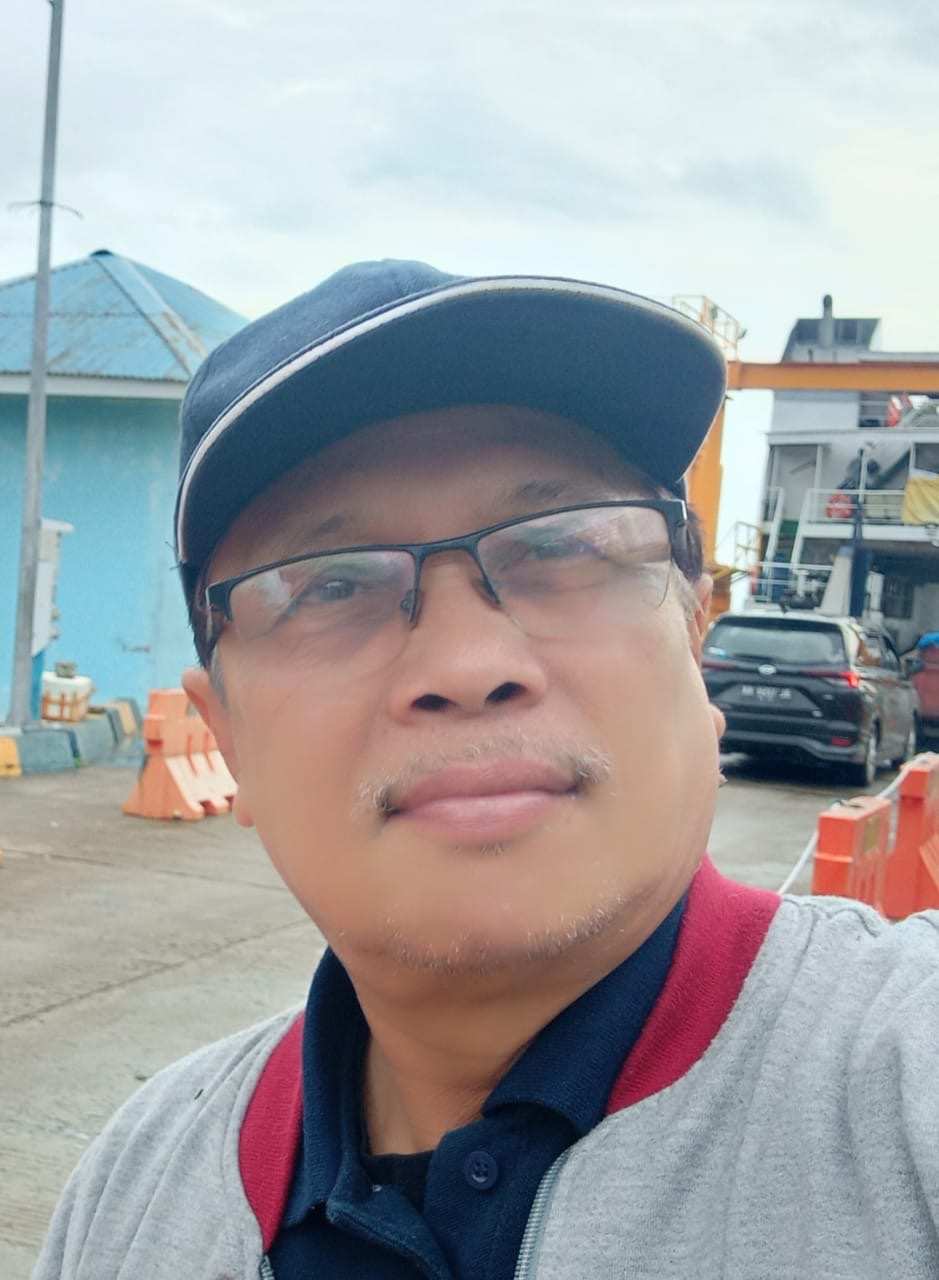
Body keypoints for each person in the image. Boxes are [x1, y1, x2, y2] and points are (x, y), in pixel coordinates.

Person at [34, 261, 939, 1280]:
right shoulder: (136, 1191)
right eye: (331, 584)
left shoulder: (907, 1090)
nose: (467, 665)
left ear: (692, 636)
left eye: (560, 547)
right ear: (227, 735)